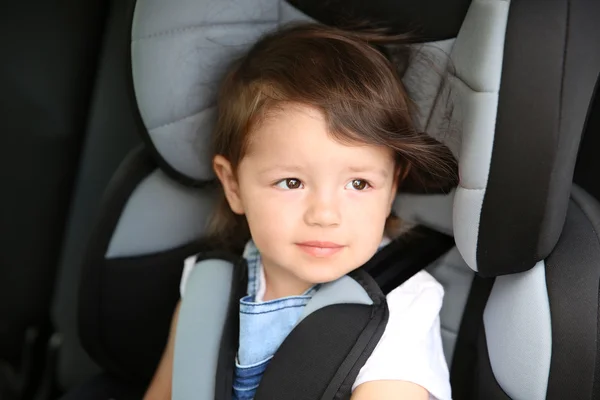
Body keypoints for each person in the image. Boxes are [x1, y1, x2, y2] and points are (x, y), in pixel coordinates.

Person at [144, 22, 457, 400]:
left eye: (358, 184)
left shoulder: (400, 304)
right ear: (233, 186)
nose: (325, 214)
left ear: (391, 188)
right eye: (291, 182)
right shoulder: (209, 286)